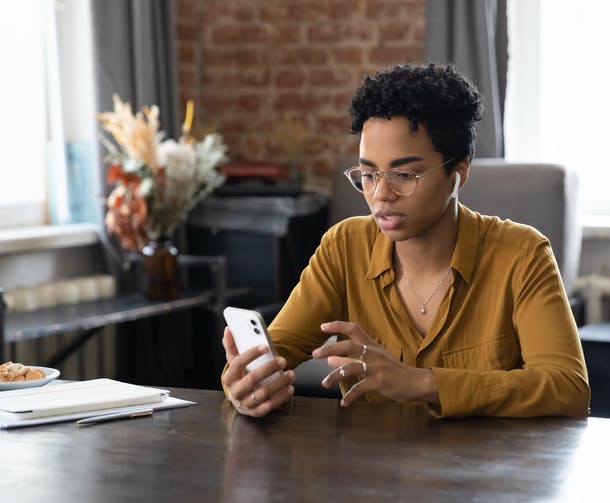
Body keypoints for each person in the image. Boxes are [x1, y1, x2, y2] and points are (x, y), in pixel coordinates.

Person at [221, 63, 590, 418]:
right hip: (370, 472)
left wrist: (425, 383)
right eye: (368, 174)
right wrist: (246, 386)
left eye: (404, 174)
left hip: (484, 474)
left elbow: (568, 388)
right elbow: (277, 352)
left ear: (458, 173)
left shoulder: (523, 255)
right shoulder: (344, 247)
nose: (381, 194)